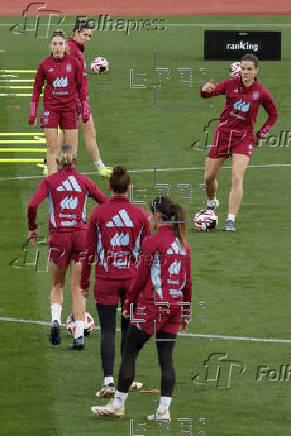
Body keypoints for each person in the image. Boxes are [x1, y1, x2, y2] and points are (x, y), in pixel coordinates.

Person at [90, 196, 192, 421]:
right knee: (166, 358)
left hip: (154, 306)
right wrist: (186, 312)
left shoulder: (152, 242)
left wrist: (128, 304)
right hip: (174, 306)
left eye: (149, 213)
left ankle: (118, 404)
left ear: (157, 216)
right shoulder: (184, 244)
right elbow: (188, 282)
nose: (147, 217)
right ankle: (164, 410)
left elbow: (140, 278)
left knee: (129, 351)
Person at [27, 144, 107, 349]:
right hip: (81, 237)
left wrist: (33, 227)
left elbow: (33, 205)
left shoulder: (49, 181)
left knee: (57, 286)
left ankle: (56, 321)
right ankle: (79, 335)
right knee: (78, 288)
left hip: (59, 238)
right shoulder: (84, 181)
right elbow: (104, 203)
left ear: (56, 161)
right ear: (75, 161)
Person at [81, 166, 151, 397]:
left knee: (108, 331)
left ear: (109, 187)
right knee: (129, 330)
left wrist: (83, 283)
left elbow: (89, 251)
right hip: (132, 281)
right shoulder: (140, 215)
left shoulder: (98, 214)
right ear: (129, 188)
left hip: (105, 279)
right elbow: (147, 254)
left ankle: (109, 382)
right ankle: (126, 379)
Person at [200, 53, 278, 231]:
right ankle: (212, 203)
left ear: (256, 70)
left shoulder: (262, 92)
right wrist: (205, 90)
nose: (245, 72)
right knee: (208, 178)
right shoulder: (229, 85)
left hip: (244, 138)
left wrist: (262, 133)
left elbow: (273, 115)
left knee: (237, 176)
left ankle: (230, 220)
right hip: (223, 135)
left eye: (249, 69)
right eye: (243, 68)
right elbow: (208, 94)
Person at [29, 29, 90, 176]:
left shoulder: (74, 63)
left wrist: (84, 108)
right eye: (54, 44)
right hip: (51, 109)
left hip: (69, 109)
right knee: (52, 147)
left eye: (60, 44)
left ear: (65, 46)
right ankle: (52, 183)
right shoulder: (44, 65)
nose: (57, 47)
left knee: (70, 150)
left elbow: (81, 87)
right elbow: (37, 88)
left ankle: (67, 180)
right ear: (50, 46)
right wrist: (33, 111)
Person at [64, 20, 112, 178]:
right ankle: (55, 165)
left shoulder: (77, 48)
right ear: (75, 32)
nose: (87, 38)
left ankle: (100, 167)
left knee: (89, 132)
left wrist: (85, 95)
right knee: (69, 137)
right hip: (73, 101)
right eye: (85, 34)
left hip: (80, 100)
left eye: (90, 35)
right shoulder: (71, 49)